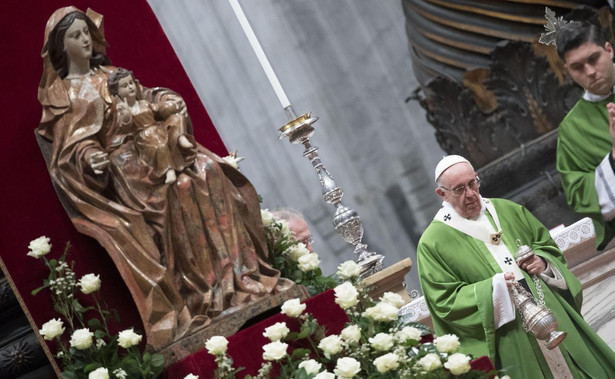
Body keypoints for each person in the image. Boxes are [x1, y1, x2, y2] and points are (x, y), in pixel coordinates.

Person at [37, 7, 291, 349]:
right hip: (125, 170)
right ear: (61, 47)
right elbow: (71, 148)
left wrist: (167, 99)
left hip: (155, 147)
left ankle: (241, 279)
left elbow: (145, 96)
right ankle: (204, 293)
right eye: (74, 36)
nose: (84, 40)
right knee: (181, 188)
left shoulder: (111, 72)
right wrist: (90, 156)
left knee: (210, 170)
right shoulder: (67, 96)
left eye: (85, 32)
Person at [417, 155, 615, 378]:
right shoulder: (432, 242)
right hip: (510, 334)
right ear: (442, 194)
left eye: (473, 183)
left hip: (549, 311)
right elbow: (445, 301)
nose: (471, 194)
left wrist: (543, 262)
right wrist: (494, 288)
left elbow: (547, 247)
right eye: (459, 189)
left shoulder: (508, 210)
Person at [555, 21, 615, 250]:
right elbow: (580, 196)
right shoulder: (572, 131)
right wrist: (614, 159)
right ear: (567, 71)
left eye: (593, 59)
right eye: (577, 67)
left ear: (609, 50)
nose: (590, 72)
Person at [107, 67, 195, 184]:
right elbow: (125, 127)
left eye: (131, 83)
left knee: (177, 118)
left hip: (157, 129)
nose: (130, 87)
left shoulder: (143, 103)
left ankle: (180, 138)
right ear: (117, 93)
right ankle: (168, 170)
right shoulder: (124, 111)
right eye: (124, 86)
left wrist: (171, 105)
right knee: (159, 145)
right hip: (145, 137)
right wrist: (126, 115)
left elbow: (157, 109)